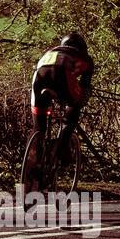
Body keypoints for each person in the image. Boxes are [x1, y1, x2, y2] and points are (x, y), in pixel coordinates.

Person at [30, 32, 95, 166]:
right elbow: (84, 87)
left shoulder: (49, 52)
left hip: (38, 79)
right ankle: (62, 148)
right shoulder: (85, 58)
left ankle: (33, 162)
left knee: (38, 126)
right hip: (60, 76)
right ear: (82, 47)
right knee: (75, 105)